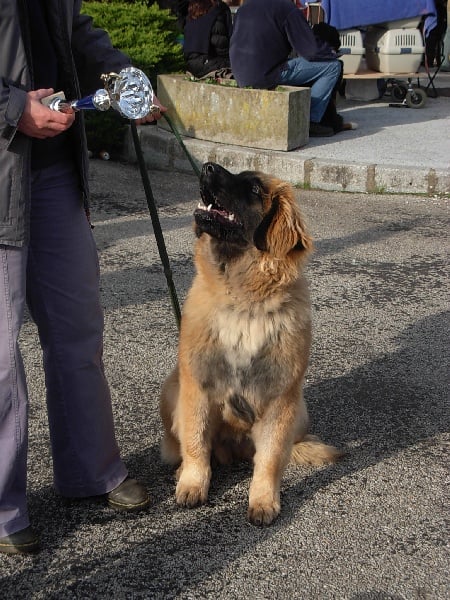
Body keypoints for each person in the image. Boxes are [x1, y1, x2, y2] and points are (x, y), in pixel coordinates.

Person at [0, 0, 166, 555]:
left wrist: (126, 80)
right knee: (0, 357)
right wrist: (8, 107)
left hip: (53, 173)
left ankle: (90, 472)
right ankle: (3, 509)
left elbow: (76, 30)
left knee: (78, 331)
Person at [229, 0, 351, 137]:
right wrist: (331, 53)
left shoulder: (245, 6)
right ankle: (310, 120)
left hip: (240, 73)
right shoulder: (286, 8)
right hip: (266, 74)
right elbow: (310, 51)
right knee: (333, 67)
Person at [183, 0, 233, 79]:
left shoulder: (194, 6)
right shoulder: (220, 9)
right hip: (208, 63)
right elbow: (221, 44)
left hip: (191, 65)